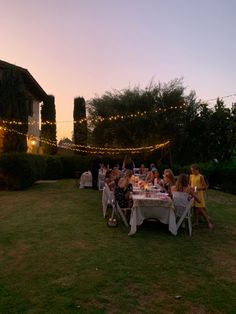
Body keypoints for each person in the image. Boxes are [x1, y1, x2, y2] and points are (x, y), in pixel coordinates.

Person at [189, 164, 213, 229]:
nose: (192, 172)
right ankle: (197, 222)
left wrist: (197, 188)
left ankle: (208, 223)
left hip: (199, 194)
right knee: (194, 208)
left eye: (193, 170)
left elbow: (205, 187)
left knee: (200, 209)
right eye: (191, 170)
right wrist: (191, 188)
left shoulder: (201, 176)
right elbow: (189, 184)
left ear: (197, 170)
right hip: (193, 194)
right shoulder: (191, 176)